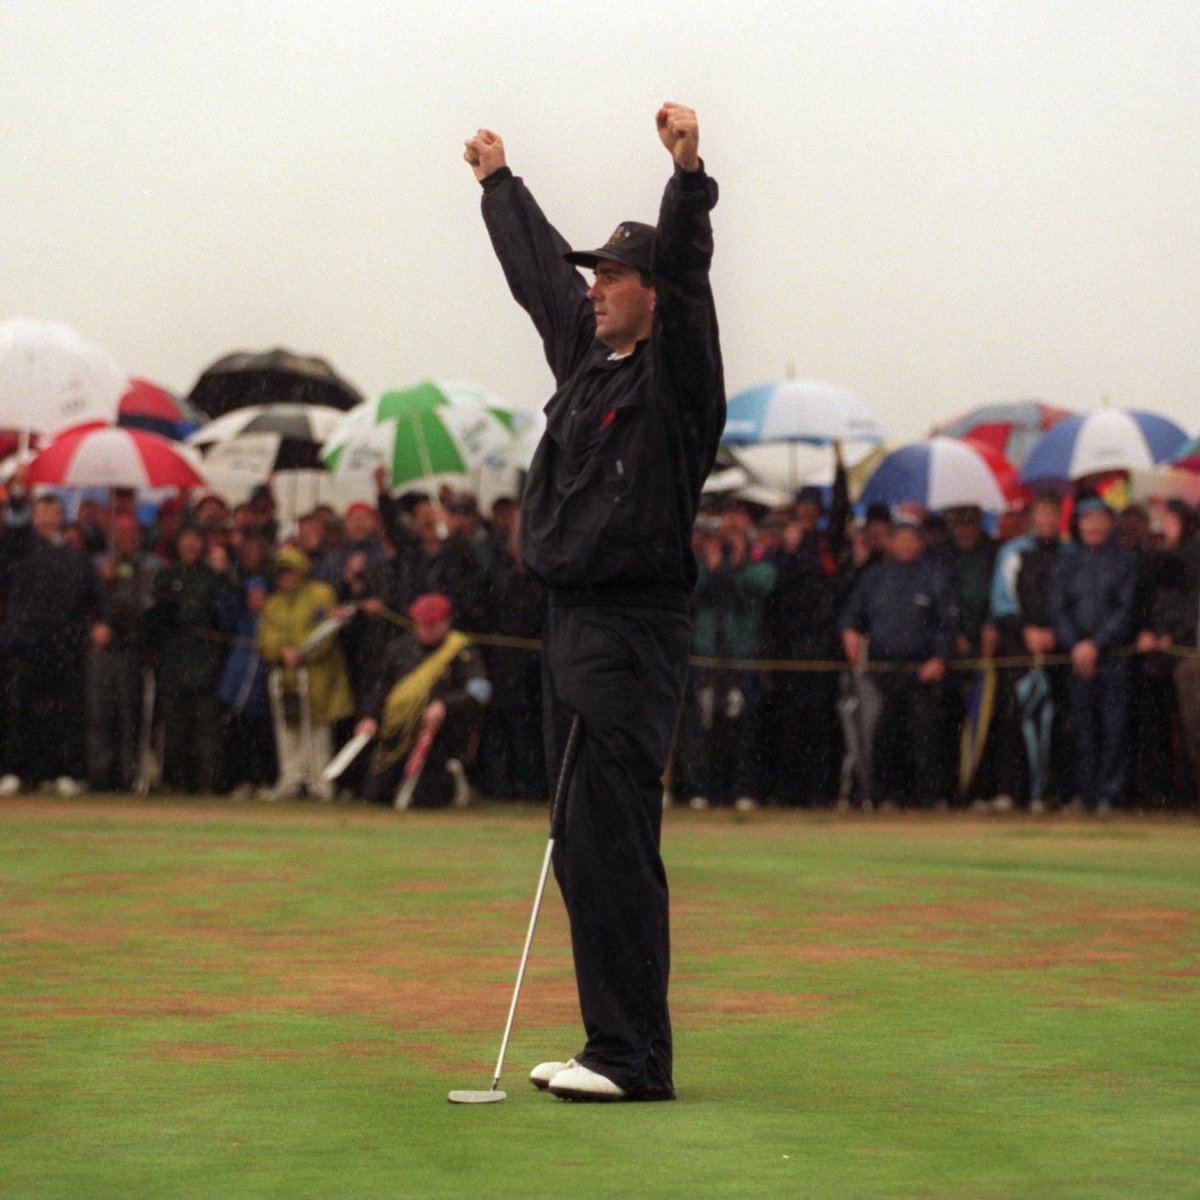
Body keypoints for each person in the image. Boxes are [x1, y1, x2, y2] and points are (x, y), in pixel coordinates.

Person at [465, 101, 723, 1102]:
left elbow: (692, 279)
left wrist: (688, 179)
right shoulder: (586, 359)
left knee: (613, 832)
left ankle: (630, 1061)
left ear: (649, 293)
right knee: (578, 841)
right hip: (570, 618)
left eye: (613, 275)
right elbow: (539, 280)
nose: (595, 287)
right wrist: (498, 185)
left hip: (633, 624)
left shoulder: (678, 375)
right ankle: (607, 1044)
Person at [840, 515, 958, 809]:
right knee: (884, 736)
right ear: (891, 543)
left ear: (920, 543)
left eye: (911, 539)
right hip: (881, 671)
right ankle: (884, 796)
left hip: (922, 669)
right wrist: (850, 634)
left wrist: (940, 658)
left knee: (925, 735)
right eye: (900, 538)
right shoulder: (875, 577)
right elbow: (853, 615)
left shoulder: (934, 577)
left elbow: (947, 624)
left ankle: (928, 798)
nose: (905, 544)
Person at [0, 486, 109, 795]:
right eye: (42, 513)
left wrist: (102, 622)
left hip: (63, 646)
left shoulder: (75, 557)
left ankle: (60, 771)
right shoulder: (17, 548)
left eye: (54, 513)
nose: (48, 519)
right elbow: (12, 530)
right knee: (17, 711)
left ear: (62, 518)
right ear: (32, 517)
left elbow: (96, 596)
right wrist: (19, 496)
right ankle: (13, 771)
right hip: (22, 644)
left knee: (63, 714)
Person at [355, 593, 490, 808]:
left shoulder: (461, 650)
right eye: (420, 624)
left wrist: (444, 704)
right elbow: (379, 688)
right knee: (374, 795)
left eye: (431, 625)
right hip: (397, 731)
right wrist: (369, 716)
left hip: (438, 733)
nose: (424, 630)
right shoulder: (399, 648)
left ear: (446, 622)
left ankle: (453, 774)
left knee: (425, 799)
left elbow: (480, 692)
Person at [1049, 497, 1137, 813]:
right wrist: (1076, 645)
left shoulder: (1125, 561)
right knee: (1080, 727)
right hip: (1076, 658)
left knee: (1114, 726)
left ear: (1110, 524)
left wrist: (1096, 644)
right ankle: (1084, 793)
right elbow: (1057, 608)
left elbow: (1125, 610)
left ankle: (1109, 794)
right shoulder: (1067, 562)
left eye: (1100, 519)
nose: (1094, 526)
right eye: (1088, 520)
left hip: (1113, 655)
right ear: (1078, 524)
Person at [258, 546, 355, 800]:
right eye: (282, 573)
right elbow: (266, 637)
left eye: (290, 571)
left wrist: (302, 652)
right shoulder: (274, 603)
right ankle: (291, 780)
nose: (286, 577)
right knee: (287, 731)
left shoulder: (321, 594)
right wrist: (282, 652)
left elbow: (325, 632)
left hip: (319, 676)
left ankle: (320, 784)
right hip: (285, 680)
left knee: (318, 731)